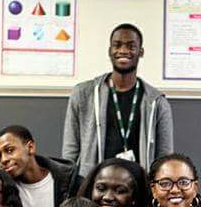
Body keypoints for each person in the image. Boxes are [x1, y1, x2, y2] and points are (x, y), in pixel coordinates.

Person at [63, 23, 174, 176]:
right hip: (93, 186)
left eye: (131, 46)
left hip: (138, 189)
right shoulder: (82, 94)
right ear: (110, 51)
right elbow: (70, 150)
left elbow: (164, 158)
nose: (123, 50)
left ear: (140, 52)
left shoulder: (157, 102)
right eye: (117, 45)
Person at [0, 125, 81, 207]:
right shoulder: (4, 191)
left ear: (30, 147)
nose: (3, 159)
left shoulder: (71, 183)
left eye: (9, 150)